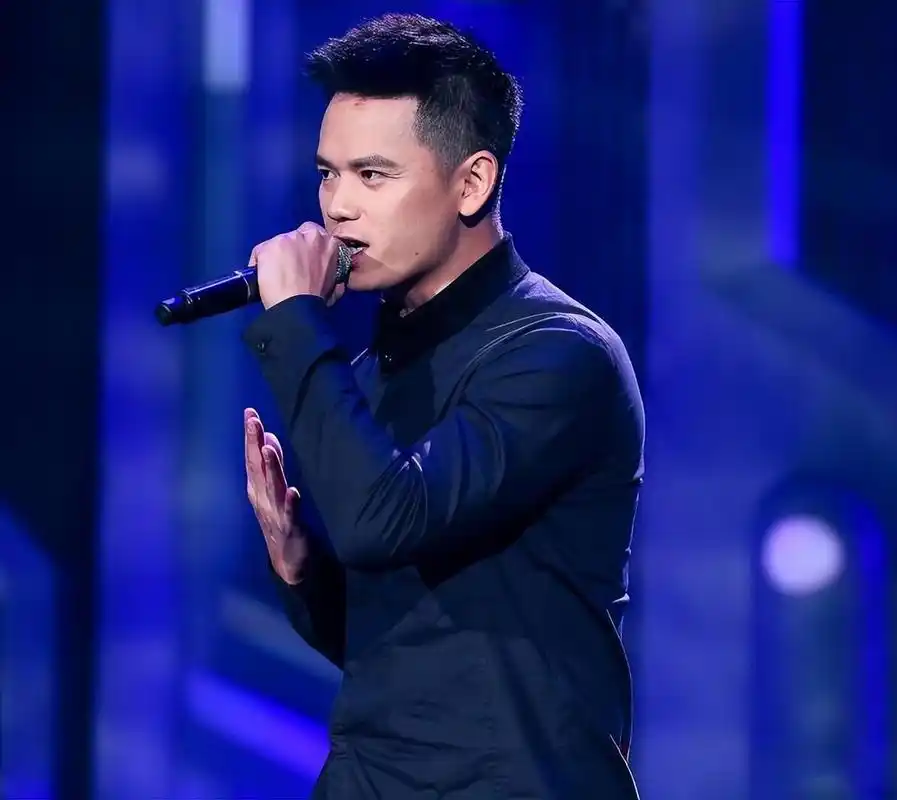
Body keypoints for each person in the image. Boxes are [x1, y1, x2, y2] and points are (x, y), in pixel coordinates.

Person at [242, 12, 644, 799]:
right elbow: (405, 650)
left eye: (372, 175)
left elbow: (384, 520)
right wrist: (300, 570)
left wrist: (292, 323)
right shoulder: (369, 373)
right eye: (327, 173)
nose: (337, 206)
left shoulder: (557, 354)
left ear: (472, 182)